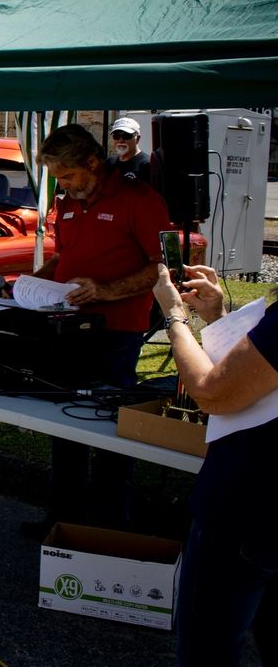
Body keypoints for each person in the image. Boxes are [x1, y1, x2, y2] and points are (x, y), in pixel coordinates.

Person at [29, 123, 169, 535]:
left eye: (69, 175)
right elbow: (66, 258)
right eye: (58, 178)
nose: (65, 185)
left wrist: (105, 291)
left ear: (93, 162)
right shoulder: (68, 203)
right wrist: (33, 284)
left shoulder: (139, 200)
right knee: (64, 421)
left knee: (112, 428)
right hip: (68, 328)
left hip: (118, 332)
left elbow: (162, 267)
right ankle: (64, 520)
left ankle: (110, 527)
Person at [153, 264, 277, 665]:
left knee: (210, 646)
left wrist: (175, 317)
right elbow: (259, 372)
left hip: (247, 507)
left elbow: (213, 393)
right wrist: (219, 319)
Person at [106, 117, 151, 183]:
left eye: (126, 136)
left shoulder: (148, 165)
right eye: (116, 136)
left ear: (137, 138)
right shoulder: (109, 163)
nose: (120, 140)